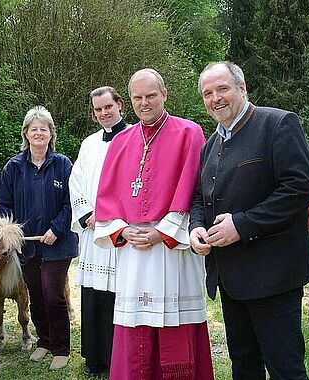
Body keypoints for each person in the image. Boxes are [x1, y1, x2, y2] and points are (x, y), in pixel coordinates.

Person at [190, 61, 309, 379]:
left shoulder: (278, 124)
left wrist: (243, 224)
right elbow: (198, 198)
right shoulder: (210, 145)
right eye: (208, 93)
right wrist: (197, 228)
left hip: (273, 276)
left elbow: (301, 188)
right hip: (230, 278)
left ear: (242, 88)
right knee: (243, 364)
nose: (215, 98)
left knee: (284, 367)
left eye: (222, 89)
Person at [94, 69, 214, 380]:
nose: (144, 103)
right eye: (137, 97)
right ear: (129, 101)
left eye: (150, 96)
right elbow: (106, 198)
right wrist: (122, 230)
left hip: (172, 249)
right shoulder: (120, 141)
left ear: (164, 95)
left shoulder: (190, 133)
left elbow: (195, 191)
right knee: (135, 328)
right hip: (134, 251)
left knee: (177, 327)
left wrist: (162, 233)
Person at [0, 106, 78, 370]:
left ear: (51, 134)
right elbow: (4, 206)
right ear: (26, 134)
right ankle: (44, 342)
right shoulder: (13, 167)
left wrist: (57, 229)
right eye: (34, 129)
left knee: (53, 293)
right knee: (35, 294)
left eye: (44, 128)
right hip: (27, 245)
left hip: (58, 243)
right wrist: (14, 235)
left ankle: (60, 348)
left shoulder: (63, 164)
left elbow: (72, 202)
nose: (39, 133)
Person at [69, 86, 128, 375]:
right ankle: (94, 358)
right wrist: (87, 214)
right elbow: (76, 180)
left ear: (120, 106)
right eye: (98, 109)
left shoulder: (135, 138)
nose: (104, 113)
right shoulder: (88, 144)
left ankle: (116, 356)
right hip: (93, 233)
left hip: (120, 233)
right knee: (93, 295)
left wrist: (108, 216)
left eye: (108, 106)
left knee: (118, 295)